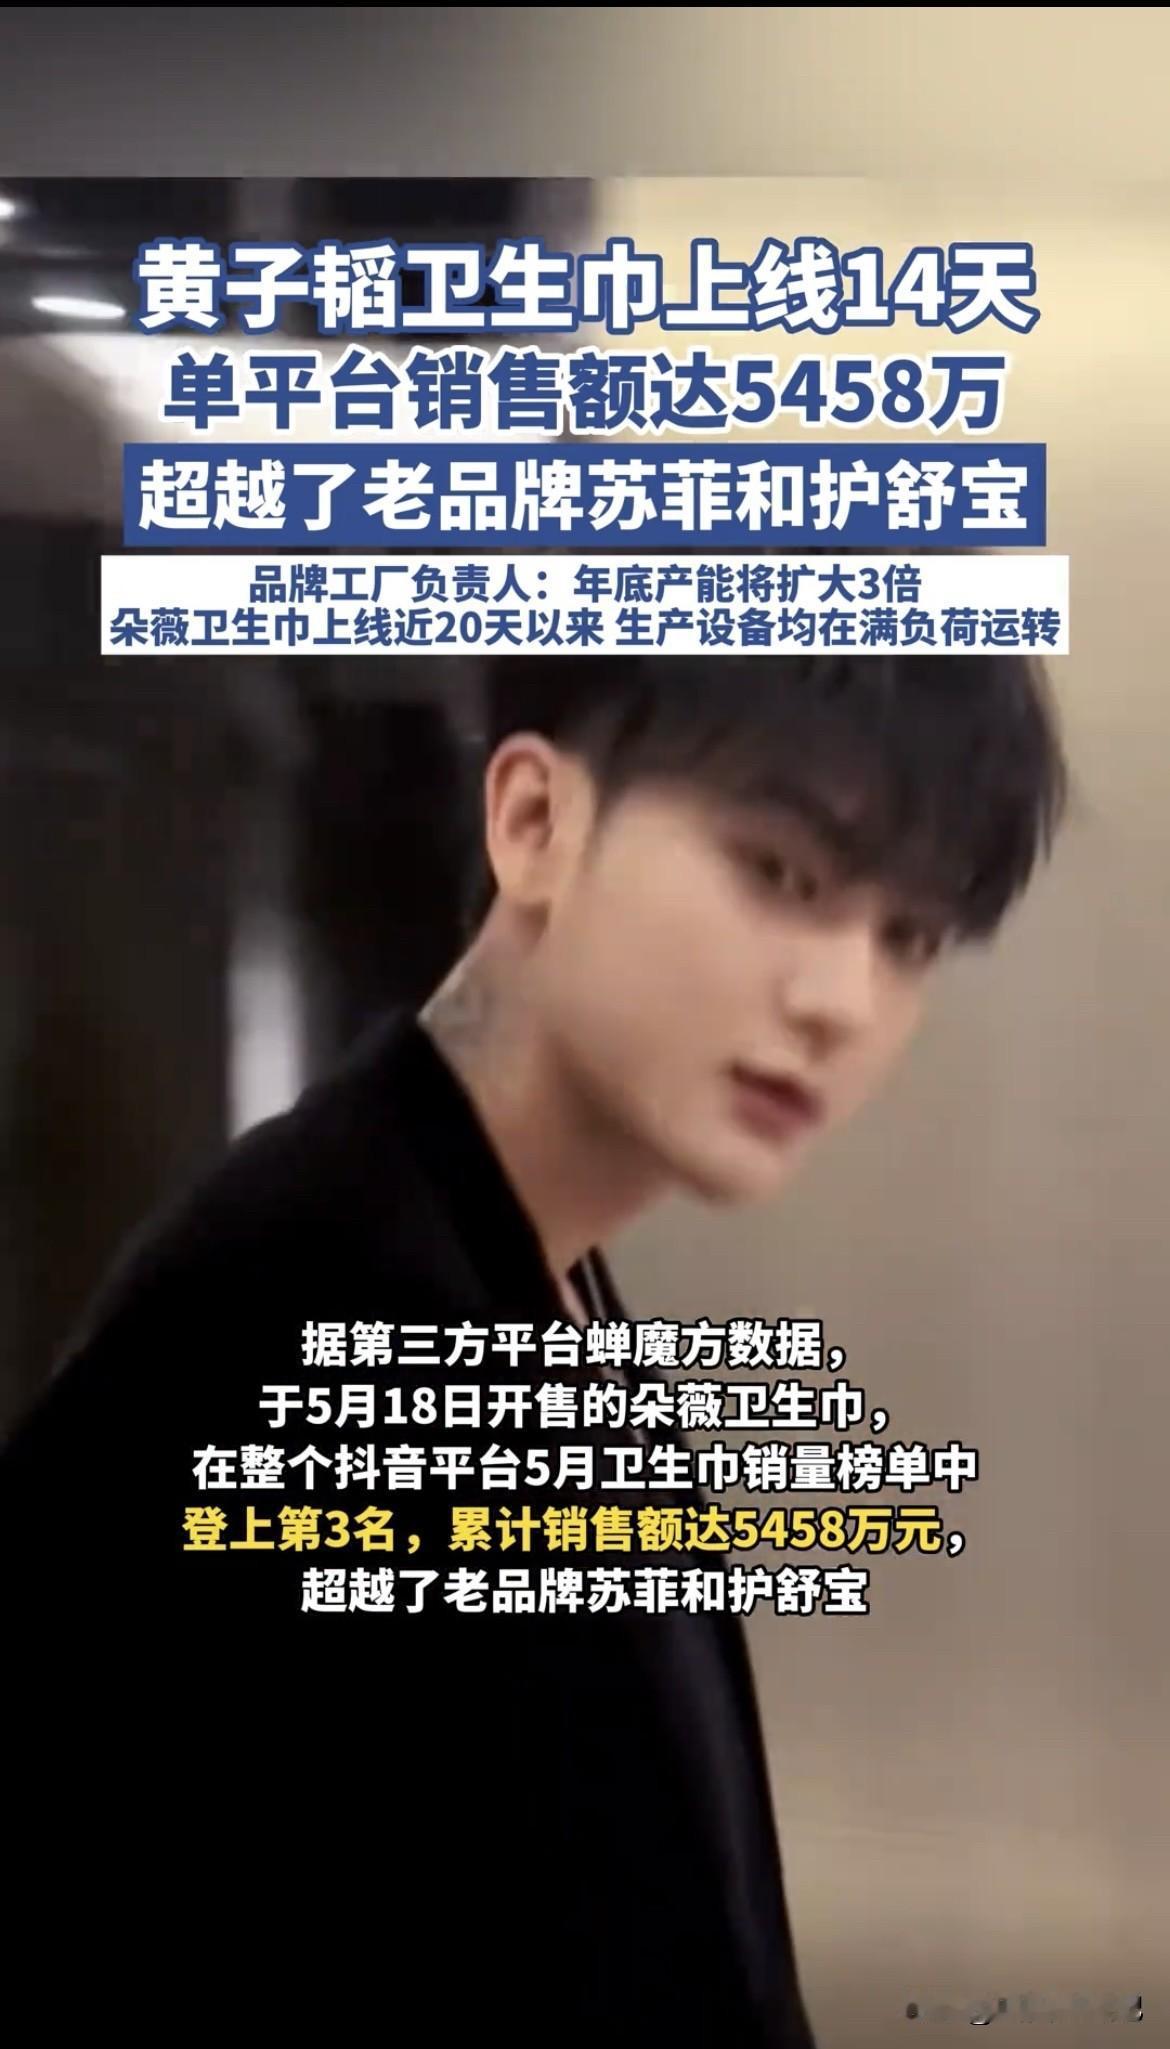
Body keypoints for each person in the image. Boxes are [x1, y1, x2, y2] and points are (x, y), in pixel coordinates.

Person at [0, 649, 1066, 2044]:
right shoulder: (314, 1311)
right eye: (782, 875)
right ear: (534, 822)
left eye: (908, 938)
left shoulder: (527, 1278)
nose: (842, 1000)